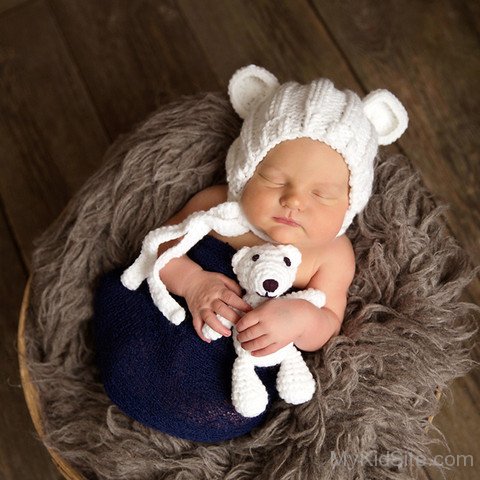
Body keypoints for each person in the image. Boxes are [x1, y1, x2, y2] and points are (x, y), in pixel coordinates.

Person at [94, 65, 408, 443]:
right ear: (245, 169)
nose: (293, 200)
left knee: (230, 408)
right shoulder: (217, 207)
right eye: (274, 180)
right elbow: (160, 247)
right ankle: (130, 378)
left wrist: (299, 318)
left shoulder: (332, 254)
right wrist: (193, 282)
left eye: (321, 194)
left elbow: (328, 322)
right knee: (125, 322)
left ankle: (186, 415)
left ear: (348, 204)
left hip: (232, 361)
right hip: (165, 320)